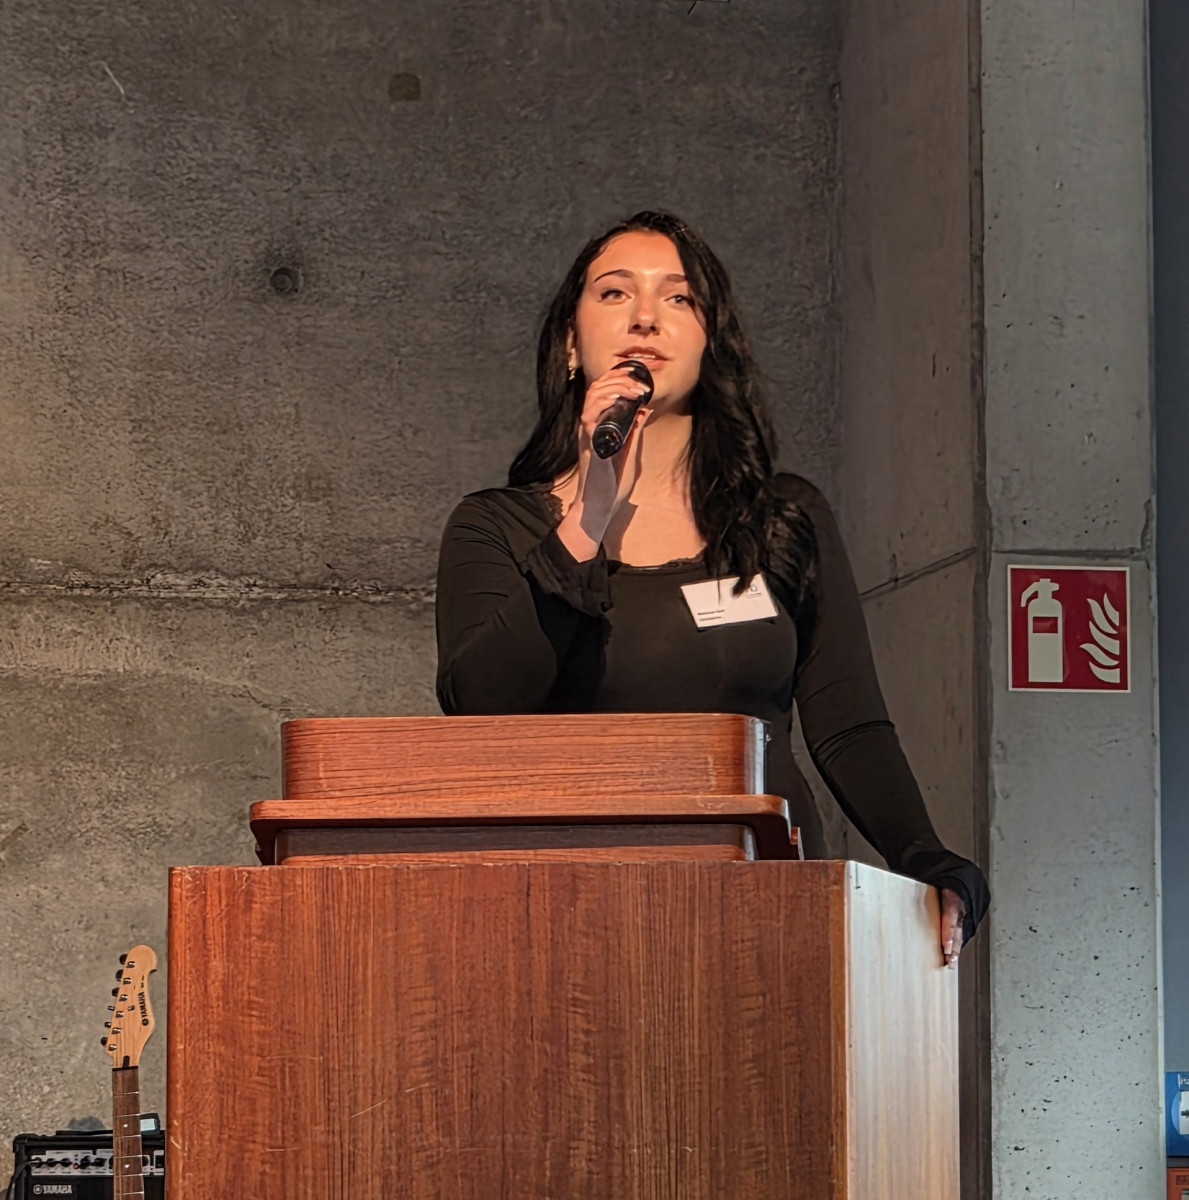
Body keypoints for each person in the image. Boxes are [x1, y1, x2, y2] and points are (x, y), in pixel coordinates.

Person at [434, 209, 989, 964]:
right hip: (568, 926)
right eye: (614, 293)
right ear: (570, 343)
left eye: (678, 297)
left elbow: (847, 724)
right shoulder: (497, 527)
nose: (644, 317)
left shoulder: (782, 519)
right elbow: (480, 704)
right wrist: (588, 518)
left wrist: (924, 857)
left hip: (765, 914)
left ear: (709, 341)